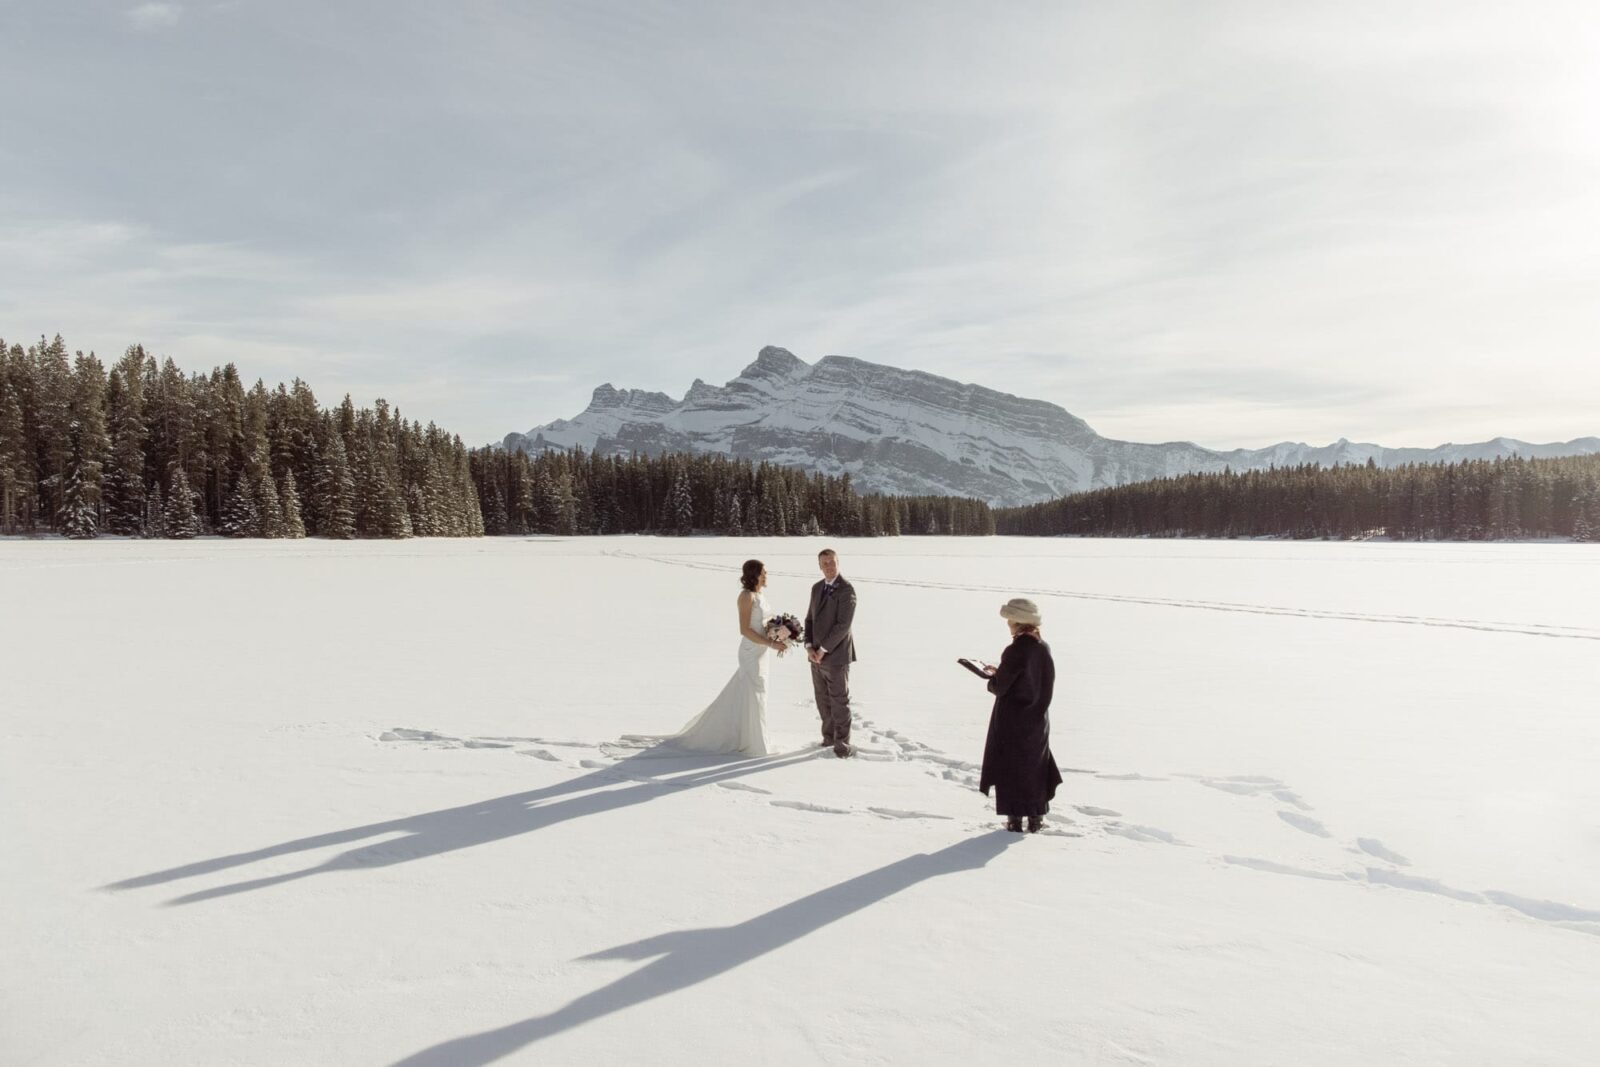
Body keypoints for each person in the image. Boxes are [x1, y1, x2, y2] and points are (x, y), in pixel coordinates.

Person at [628, 560, 787, 756]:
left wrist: (779, 633)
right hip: (750, 652)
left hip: (762, 651)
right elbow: (744, 629)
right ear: (754, 574)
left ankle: (749, 736)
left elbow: (763, 623)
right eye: (763, 572)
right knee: (753, 691)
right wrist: (770, 643)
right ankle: (753, 742)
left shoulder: (761, 595)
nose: (766, 575)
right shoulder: (746, 596)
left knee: (758, 692)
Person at [979, 598, 1062, 833]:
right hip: (1037, 718)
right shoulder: (1042, 646)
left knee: (1012, 768)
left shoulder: (1016, 649)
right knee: (1035, 766)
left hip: (1013, 719)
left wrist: (993, 678)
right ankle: (1036, 818)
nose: (1008, 625)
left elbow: (1000, 687)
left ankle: (1015, 820)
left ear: (1017, 621)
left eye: (1009, 621)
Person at [804, 548, 857, 758]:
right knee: (822, 699)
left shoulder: (847, 590)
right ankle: (828, 738)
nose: (829, 566)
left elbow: (843, 625)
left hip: (836, 656)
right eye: (824, 563)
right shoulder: (816, 588)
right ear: (819, 566)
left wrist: (823, 650)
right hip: (815, 656)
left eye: (832, 562)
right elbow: (809, 619)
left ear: (838, 562)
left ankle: (842, 745)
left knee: (839, 700)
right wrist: (809, 646)